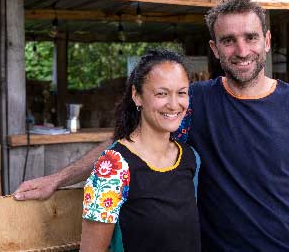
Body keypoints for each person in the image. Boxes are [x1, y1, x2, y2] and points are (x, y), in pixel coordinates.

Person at [14, 0, 289, 252]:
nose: (242, 51)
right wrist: (58, 178)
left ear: (266, 41)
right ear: (214, 49)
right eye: (228, 41)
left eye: (250, 37)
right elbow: (128, 145)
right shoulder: (193, 102)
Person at [80, 49, 201, 252]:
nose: (173, 105)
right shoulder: (112, 166)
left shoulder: (190, 158)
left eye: (181, 93)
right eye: (161, 93)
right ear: (137, 96)